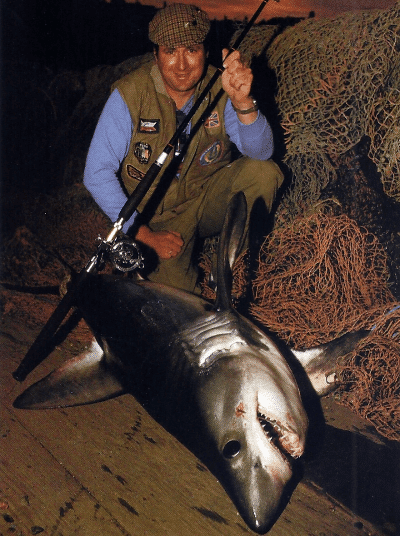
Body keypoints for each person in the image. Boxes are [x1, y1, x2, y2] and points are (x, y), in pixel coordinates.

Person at [84, 3, 284, 293]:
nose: (181, 65)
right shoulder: (129, 93)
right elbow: (96, 173)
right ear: (155, 55)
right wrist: (144, 235)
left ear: (205, 51)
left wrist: (243, 102)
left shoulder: (222, 85)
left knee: (264, 173)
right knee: (178, 300)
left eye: (191, 50)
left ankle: (225, 269)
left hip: (201, 202)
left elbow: (262, 153)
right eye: (170, 51)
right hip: (151, 219)